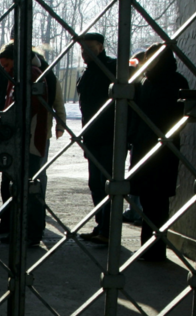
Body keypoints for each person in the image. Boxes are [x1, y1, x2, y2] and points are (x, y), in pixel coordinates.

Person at [129, 45, 188, 262]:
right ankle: (150, 248)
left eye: (148, 58)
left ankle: (154, 250)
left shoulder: (168, 82)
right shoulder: (148, 81)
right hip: (151, 148)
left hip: (160, 149)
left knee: (156, 201)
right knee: (150, 201)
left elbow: (177, 116)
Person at [0, 43, 51, 248]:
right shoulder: (18, 76)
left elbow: (28, 109)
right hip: (19, 141)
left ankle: (32, 232)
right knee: (18, 188)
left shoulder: (32, 74)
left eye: (8, 65)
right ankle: (19, 231)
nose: (7, 70)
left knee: (30, 188)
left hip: (29, 142)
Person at [75, 33, 117, 245]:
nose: (85, 53)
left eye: (89, 48)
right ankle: (102, 225)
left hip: (108, 136)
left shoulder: (111, 68)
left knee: (107, 183)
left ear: (100, 47)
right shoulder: (88, 72)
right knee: (95, 183)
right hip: (92, 136)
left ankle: (109, 230)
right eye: (82, 49)